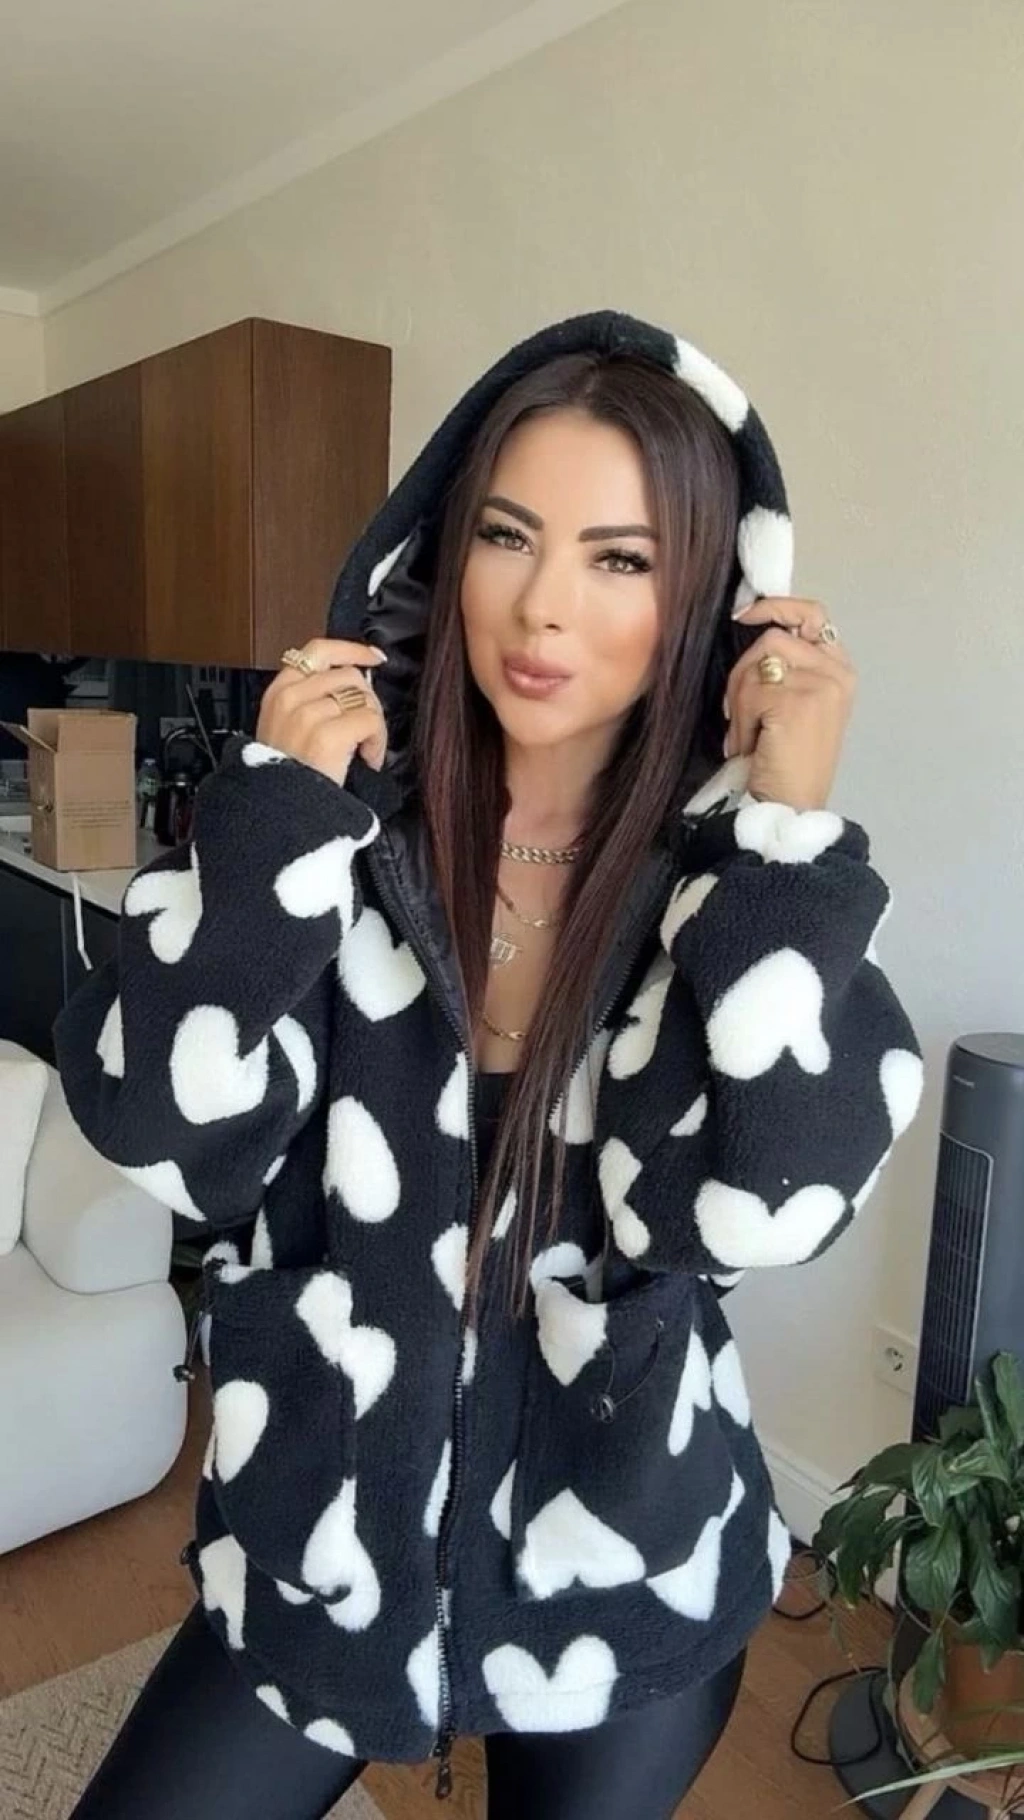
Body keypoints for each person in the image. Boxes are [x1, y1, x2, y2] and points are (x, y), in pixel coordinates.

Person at [56, 311, 923, 1820]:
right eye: (507, 537)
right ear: (439, 557)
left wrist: (787, 841)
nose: (542, 607)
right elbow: (158, 1132)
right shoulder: (333, 839)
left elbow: (764, 1209)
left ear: (711, 601)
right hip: (316, 1552)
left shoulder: (728, 893)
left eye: (620, 558)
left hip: (623, 1570)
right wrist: (269, 835)